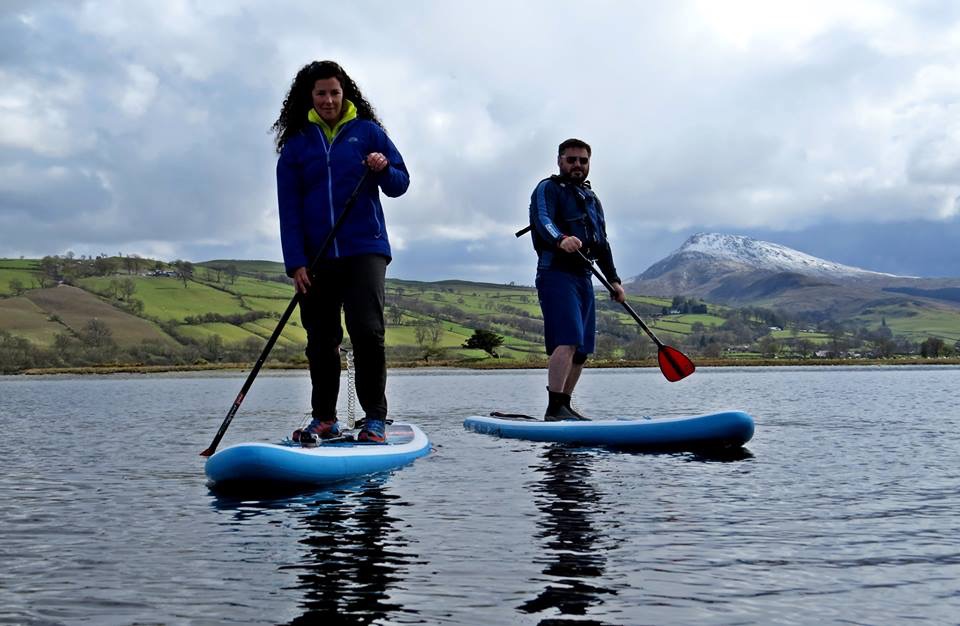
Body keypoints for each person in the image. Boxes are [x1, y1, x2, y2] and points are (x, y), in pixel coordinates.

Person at [272, 60, 409, 443]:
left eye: (334, 92)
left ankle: (374, 420)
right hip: (315, 258)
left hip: (364, 249)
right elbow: (289, 208)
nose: (329, 99)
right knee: (321, 338)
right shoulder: (297, 144)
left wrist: (382, 168)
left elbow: (400, 183)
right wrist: (295, 262)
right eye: (321, 93)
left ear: (344, 92)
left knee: (367, 333)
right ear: (309, 97)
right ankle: (325, 418)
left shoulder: (367, 133)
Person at [528, 138, 625, 420]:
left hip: (584, 275)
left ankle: (564, 406)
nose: (577, 166)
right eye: (571, 160)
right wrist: (561, 239)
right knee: (568, 339)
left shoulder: (592, 199)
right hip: (555, 273)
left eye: (583, 161)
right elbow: (542, 221)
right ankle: (554, 407)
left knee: (582, 350)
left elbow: (602, 243)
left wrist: (614, 280)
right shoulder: (547, 189)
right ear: (560, 161)